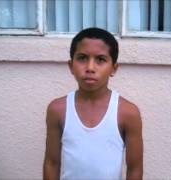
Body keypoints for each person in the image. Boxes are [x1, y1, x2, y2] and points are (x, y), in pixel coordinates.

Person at [43, 27, 143, 180]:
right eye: (82, 58)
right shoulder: (58, 109)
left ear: (113, 68)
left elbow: (135, 169)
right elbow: (51, 163)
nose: (90, 68)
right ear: (71, 66)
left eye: (100, 60)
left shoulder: (127, 113)